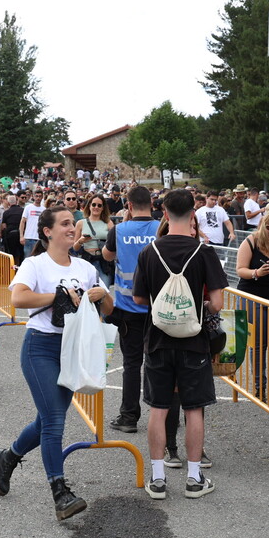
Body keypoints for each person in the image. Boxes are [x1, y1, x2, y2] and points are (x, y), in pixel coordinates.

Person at [0, 206, 113, 520]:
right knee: (55, 420)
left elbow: (109, 308)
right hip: (40, 348)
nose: (73, 228)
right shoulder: (35, 264)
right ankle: (60, 491)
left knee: (46, 421)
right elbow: (18, 299)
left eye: (73, 223)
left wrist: (100, 295)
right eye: (66, 224)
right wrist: (57, 295)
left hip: (73, 349)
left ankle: (8, 457)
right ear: (47, 231)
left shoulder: (85, 267)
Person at [133, 190, 226, 500]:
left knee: (159, 408)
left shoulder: (149, 252)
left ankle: (158, 479)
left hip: (157, 340)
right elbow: (217, 303)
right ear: (193, 213)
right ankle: (194, 478)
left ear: (164, 213)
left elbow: (138, 299)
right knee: (193, 408)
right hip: (194, 342)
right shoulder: (204, 251)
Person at [102, 186, 160, 434]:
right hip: (159, 307)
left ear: (128, 204)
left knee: (132, 364)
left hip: (128, 308)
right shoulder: (161, 228)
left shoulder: (120, 230)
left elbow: (106, 256)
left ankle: (129, 417)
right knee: (159, 362)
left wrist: (123, 225)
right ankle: (165, 414)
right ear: (151, 204)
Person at [235, 207, 269, 401]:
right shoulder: (252, 240)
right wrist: (257, 272)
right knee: (257, 345)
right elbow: (240, 269)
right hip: (252, 296)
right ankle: (260, 388)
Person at [77, 193, 112, 287]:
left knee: (105, 292)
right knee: (87, 293)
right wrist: (81, 241)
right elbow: (75, 247)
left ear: (103, 208)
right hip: (87, 260)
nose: (96, 207)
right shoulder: (80, 223)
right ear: (89, 206)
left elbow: (114, 243)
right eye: (93, 204)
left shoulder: (108, 223)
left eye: (99, 205)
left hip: (103, 261)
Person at [0, 194, 25, 265]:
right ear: (16, 202)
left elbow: (3, 226)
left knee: (11, 253)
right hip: (21, 234)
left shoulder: (6, 212)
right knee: (21, 253)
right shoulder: (23, 211)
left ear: (9, 203)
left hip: (10, 235)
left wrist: (0, 233)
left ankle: (11, 268)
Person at [21, 190, 46, 257]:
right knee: (27, 258)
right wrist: (21, 236)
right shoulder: (28, 208)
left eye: (40, 196)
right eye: (36, 196)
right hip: (28, 237)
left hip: (39, 239)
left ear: (42, 197)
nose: (38, 198)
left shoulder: (44, 209)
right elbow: (23, 222)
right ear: (33, 197)